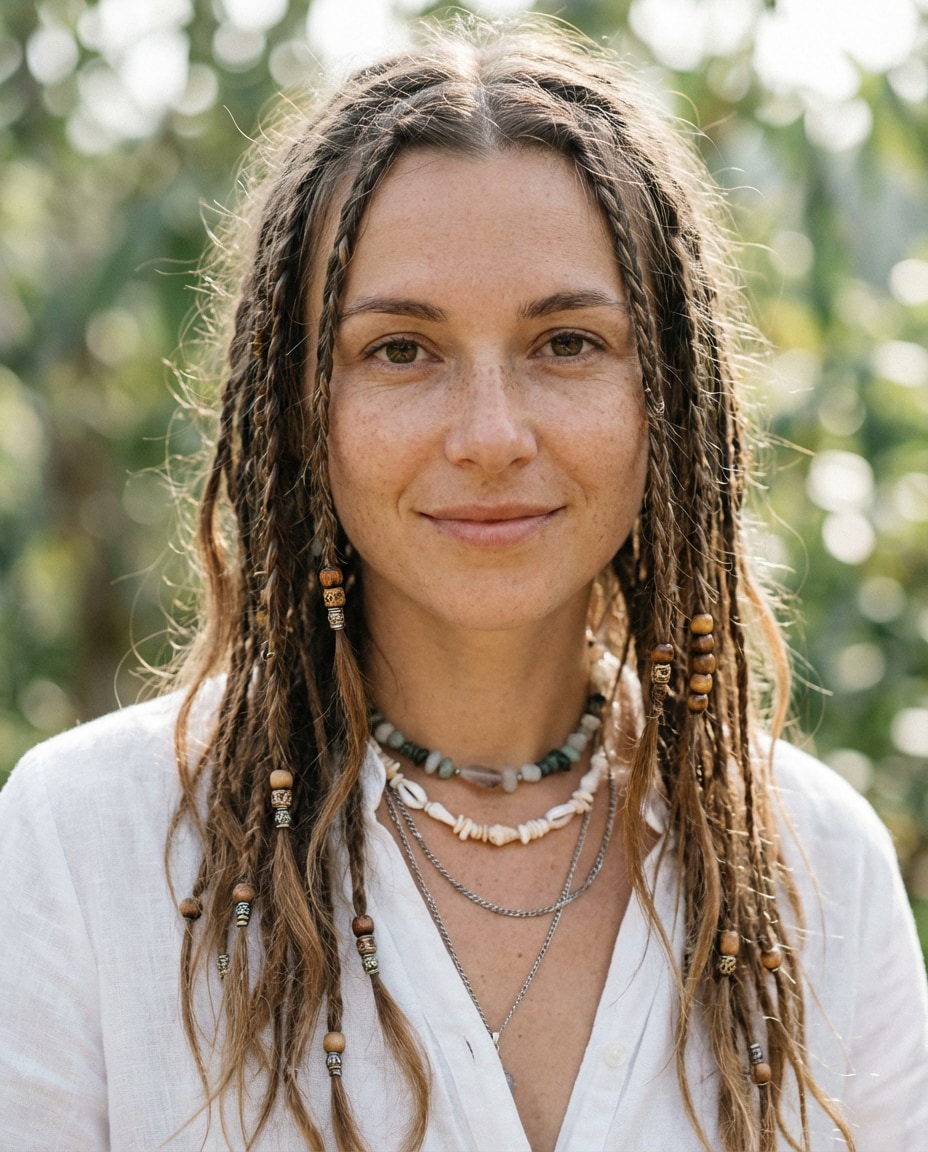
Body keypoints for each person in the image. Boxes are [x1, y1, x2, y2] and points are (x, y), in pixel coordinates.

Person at [0, 18, 925, 1152]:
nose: (491, 435)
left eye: (567, 344)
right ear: (302, 407)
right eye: (400, 350)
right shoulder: (91, 840)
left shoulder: (812, 864)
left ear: (665, 395)